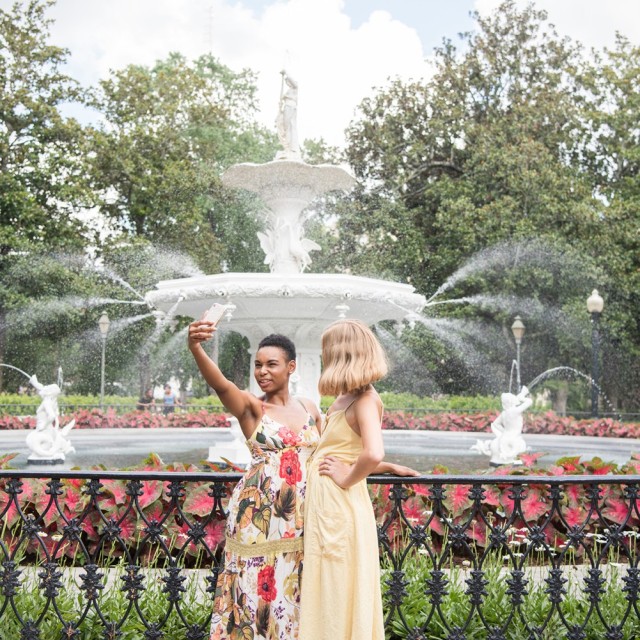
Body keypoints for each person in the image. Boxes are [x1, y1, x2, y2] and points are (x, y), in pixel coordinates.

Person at [188, 319, 322, 639]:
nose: (262, 371)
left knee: (291, 588)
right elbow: (221, 385)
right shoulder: (252, 407)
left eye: (271, 364)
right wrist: (195, 346)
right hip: (257, 516)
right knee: (254, 589)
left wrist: (382, 466)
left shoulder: (309, 407)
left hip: (301, 517)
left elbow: (331, 452)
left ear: (291, 367)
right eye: (258, 365)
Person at [299, 319, 416, 640]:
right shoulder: (345, 399)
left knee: (336, 582)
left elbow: (372, 452)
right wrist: (388, 468)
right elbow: (352, 451)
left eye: (327, 351)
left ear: (340, 354)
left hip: (339, 504)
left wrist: (348, 477)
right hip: (329, 504)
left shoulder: (364, 399)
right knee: (328, 582)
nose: (324, 358)